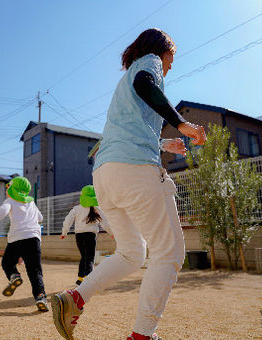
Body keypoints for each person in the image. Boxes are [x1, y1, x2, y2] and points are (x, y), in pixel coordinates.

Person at [51, 28, 206, 340]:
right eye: (172, 58)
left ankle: (76, 298)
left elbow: (123, 134)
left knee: (133, 252)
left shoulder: (123, 85)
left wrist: (163, 145)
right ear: (160, 51)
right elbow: (145, 83)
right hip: (135, 172)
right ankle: (143, 335)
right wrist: (181, 123)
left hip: (106, 177)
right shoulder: (149, 64)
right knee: (170, 253)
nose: (170, 66)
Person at [0, 176, 48, 312]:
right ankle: (40, 296)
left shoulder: (10, 201)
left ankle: (14, 276)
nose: (7, 190)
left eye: (8, 187)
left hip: (17, 239)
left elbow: (3, 211)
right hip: (33, 238)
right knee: (35, 271)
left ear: (13, 189)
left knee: (7, 263)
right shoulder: (31, 203)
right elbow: (40, 218)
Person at [61, 185, 112, 285]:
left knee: (84, 256)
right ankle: (89, 279)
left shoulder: (77, 208)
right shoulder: (97, 208)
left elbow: (68, 220)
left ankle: (80, 278)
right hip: (90, 235)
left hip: (79, 235)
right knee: (89, 257)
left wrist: (64, 232)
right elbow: (105, 222)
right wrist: (111, 232)